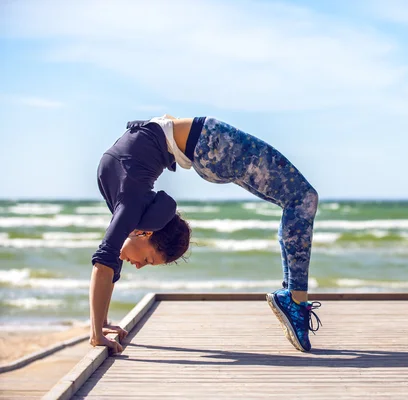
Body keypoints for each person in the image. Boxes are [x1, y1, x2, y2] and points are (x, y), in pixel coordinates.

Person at [90, 115, 321, 353]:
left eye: (148, 260)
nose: (138, 266)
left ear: (146, 233)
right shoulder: (130, 212)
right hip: (209, 146)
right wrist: (102, 324)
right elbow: (109, 262)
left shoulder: (130, 208)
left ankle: (294, 300)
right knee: (299, 199)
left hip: (210, 143)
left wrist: (97, 334)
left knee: (301, 199)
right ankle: (293, 298)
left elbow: (104, 263)